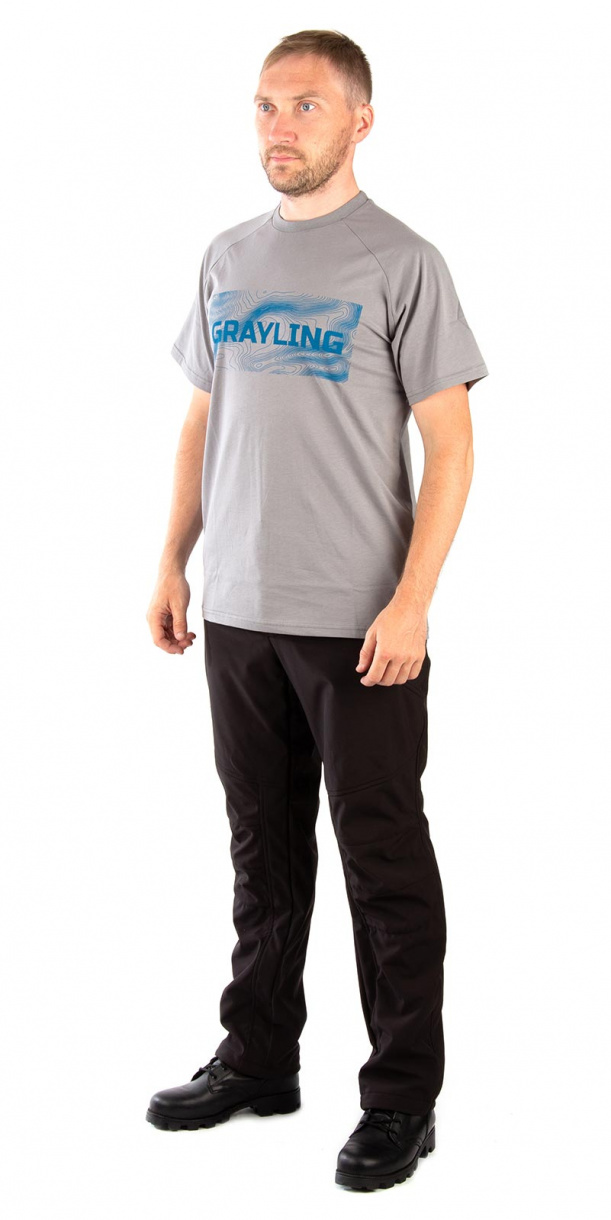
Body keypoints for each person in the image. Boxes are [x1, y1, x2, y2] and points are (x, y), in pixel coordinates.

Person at [145, 29, 488, 1192]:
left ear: (359, 120)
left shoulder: (402, 261)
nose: (278, 126)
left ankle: (400, 1099)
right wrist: (172, 559)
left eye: (304, 105)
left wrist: (411, 600)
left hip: (358, 622)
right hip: (238, 609)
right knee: (261, 844)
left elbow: (450, 446)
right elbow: (203, 418)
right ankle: (257, 1054)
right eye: (263, 105)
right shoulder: (227, 256)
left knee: (380, 855)